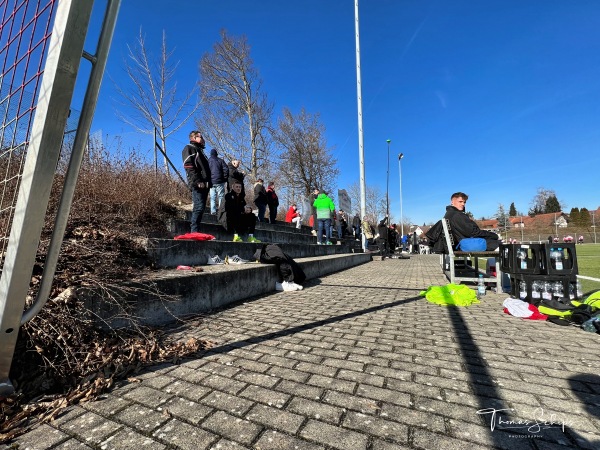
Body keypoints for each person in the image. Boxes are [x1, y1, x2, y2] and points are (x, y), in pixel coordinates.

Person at [182, 130, 211, 233]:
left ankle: (196, 230)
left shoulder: (200, 151)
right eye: (200, 137)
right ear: (193, 138)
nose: (203, 139)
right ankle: (194, 231)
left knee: (201, 208)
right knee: (198, 207)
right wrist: (198, 180)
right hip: (198, 183)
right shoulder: (189, 148)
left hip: (205, 184)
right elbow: (188, 166)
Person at [208, 149, 229, 215]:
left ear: (211, 154)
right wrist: (225, 178)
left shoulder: (208, 161)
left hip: (211, 182)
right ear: (216, 154)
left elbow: (205, 171)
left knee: (212, 197)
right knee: (221, 197)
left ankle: (213, 211)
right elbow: (226, 169)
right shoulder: (220, 160)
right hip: (220, 181)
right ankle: (221, 211)